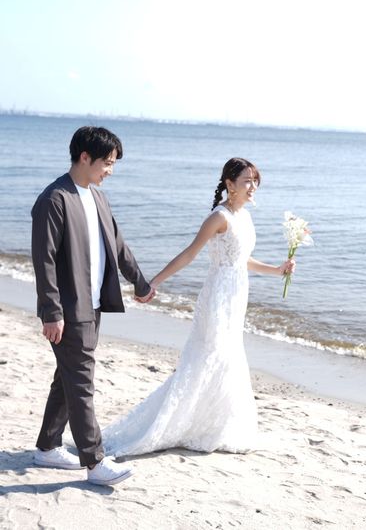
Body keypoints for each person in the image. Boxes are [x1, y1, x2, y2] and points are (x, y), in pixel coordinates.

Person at [102, 158, 295, 457]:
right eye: (247, 180)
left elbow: (242, 260)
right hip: (218, 296)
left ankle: (215, 426)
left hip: (237, 294)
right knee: (210, 356)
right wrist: (153, 283)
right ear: (230, 184)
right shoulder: (219, 217)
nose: (253, 186)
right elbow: (189, 254)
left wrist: (277, 270)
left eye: (255, 180)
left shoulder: (244, 216)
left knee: (227, 357)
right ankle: (183, 424)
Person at [31, 126, 155, 486]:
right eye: (107, 163)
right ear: (85, 157)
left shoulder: (97, 197)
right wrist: (52, 312)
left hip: (94, 305)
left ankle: (47, 447)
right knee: (81, 382)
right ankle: (95, 462)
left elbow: (118, 245)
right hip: (69, 310)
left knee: (68, 378)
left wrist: (140, 283)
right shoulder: (54, 199)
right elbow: (44, 260)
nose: (110, 171)